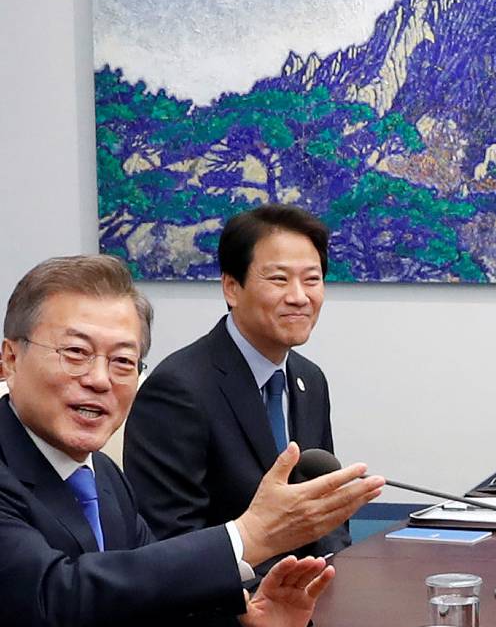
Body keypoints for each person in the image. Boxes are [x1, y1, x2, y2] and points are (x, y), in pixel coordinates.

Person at [0, 254, 383, 627]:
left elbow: (151, 594)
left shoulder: (100, 475)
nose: (98, 379)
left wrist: (250, 621)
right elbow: (55, 595)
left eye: (122, 362)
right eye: (75, 353)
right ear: (9, 359)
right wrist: (244, 537)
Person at [123, 204, 349, 552]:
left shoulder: (309, 379)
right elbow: (172, 540)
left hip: (307, 595)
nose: (299, 297)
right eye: (279, 279)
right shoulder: (179, 389)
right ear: (231, 287)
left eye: (312, 279)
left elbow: (325, 511)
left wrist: (334, 574)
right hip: (228, 598)